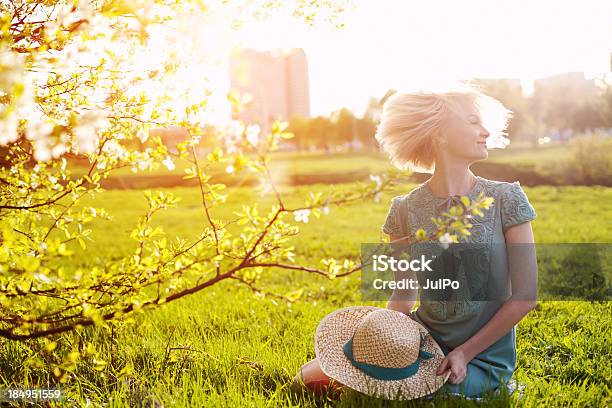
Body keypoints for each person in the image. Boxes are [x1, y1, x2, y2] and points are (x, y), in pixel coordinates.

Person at [292, 82, 538, 399]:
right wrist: (387, 342)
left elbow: (525, 297)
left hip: (482, 355)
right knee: (309, 378)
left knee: (427, 395)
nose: (485, 131)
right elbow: (404, 292)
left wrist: (463, 353)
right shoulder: (404, 210)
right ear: (440, 134)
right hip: (422, 343)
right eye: (472, 121)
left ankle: (484, 387)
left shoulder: (507, 199)